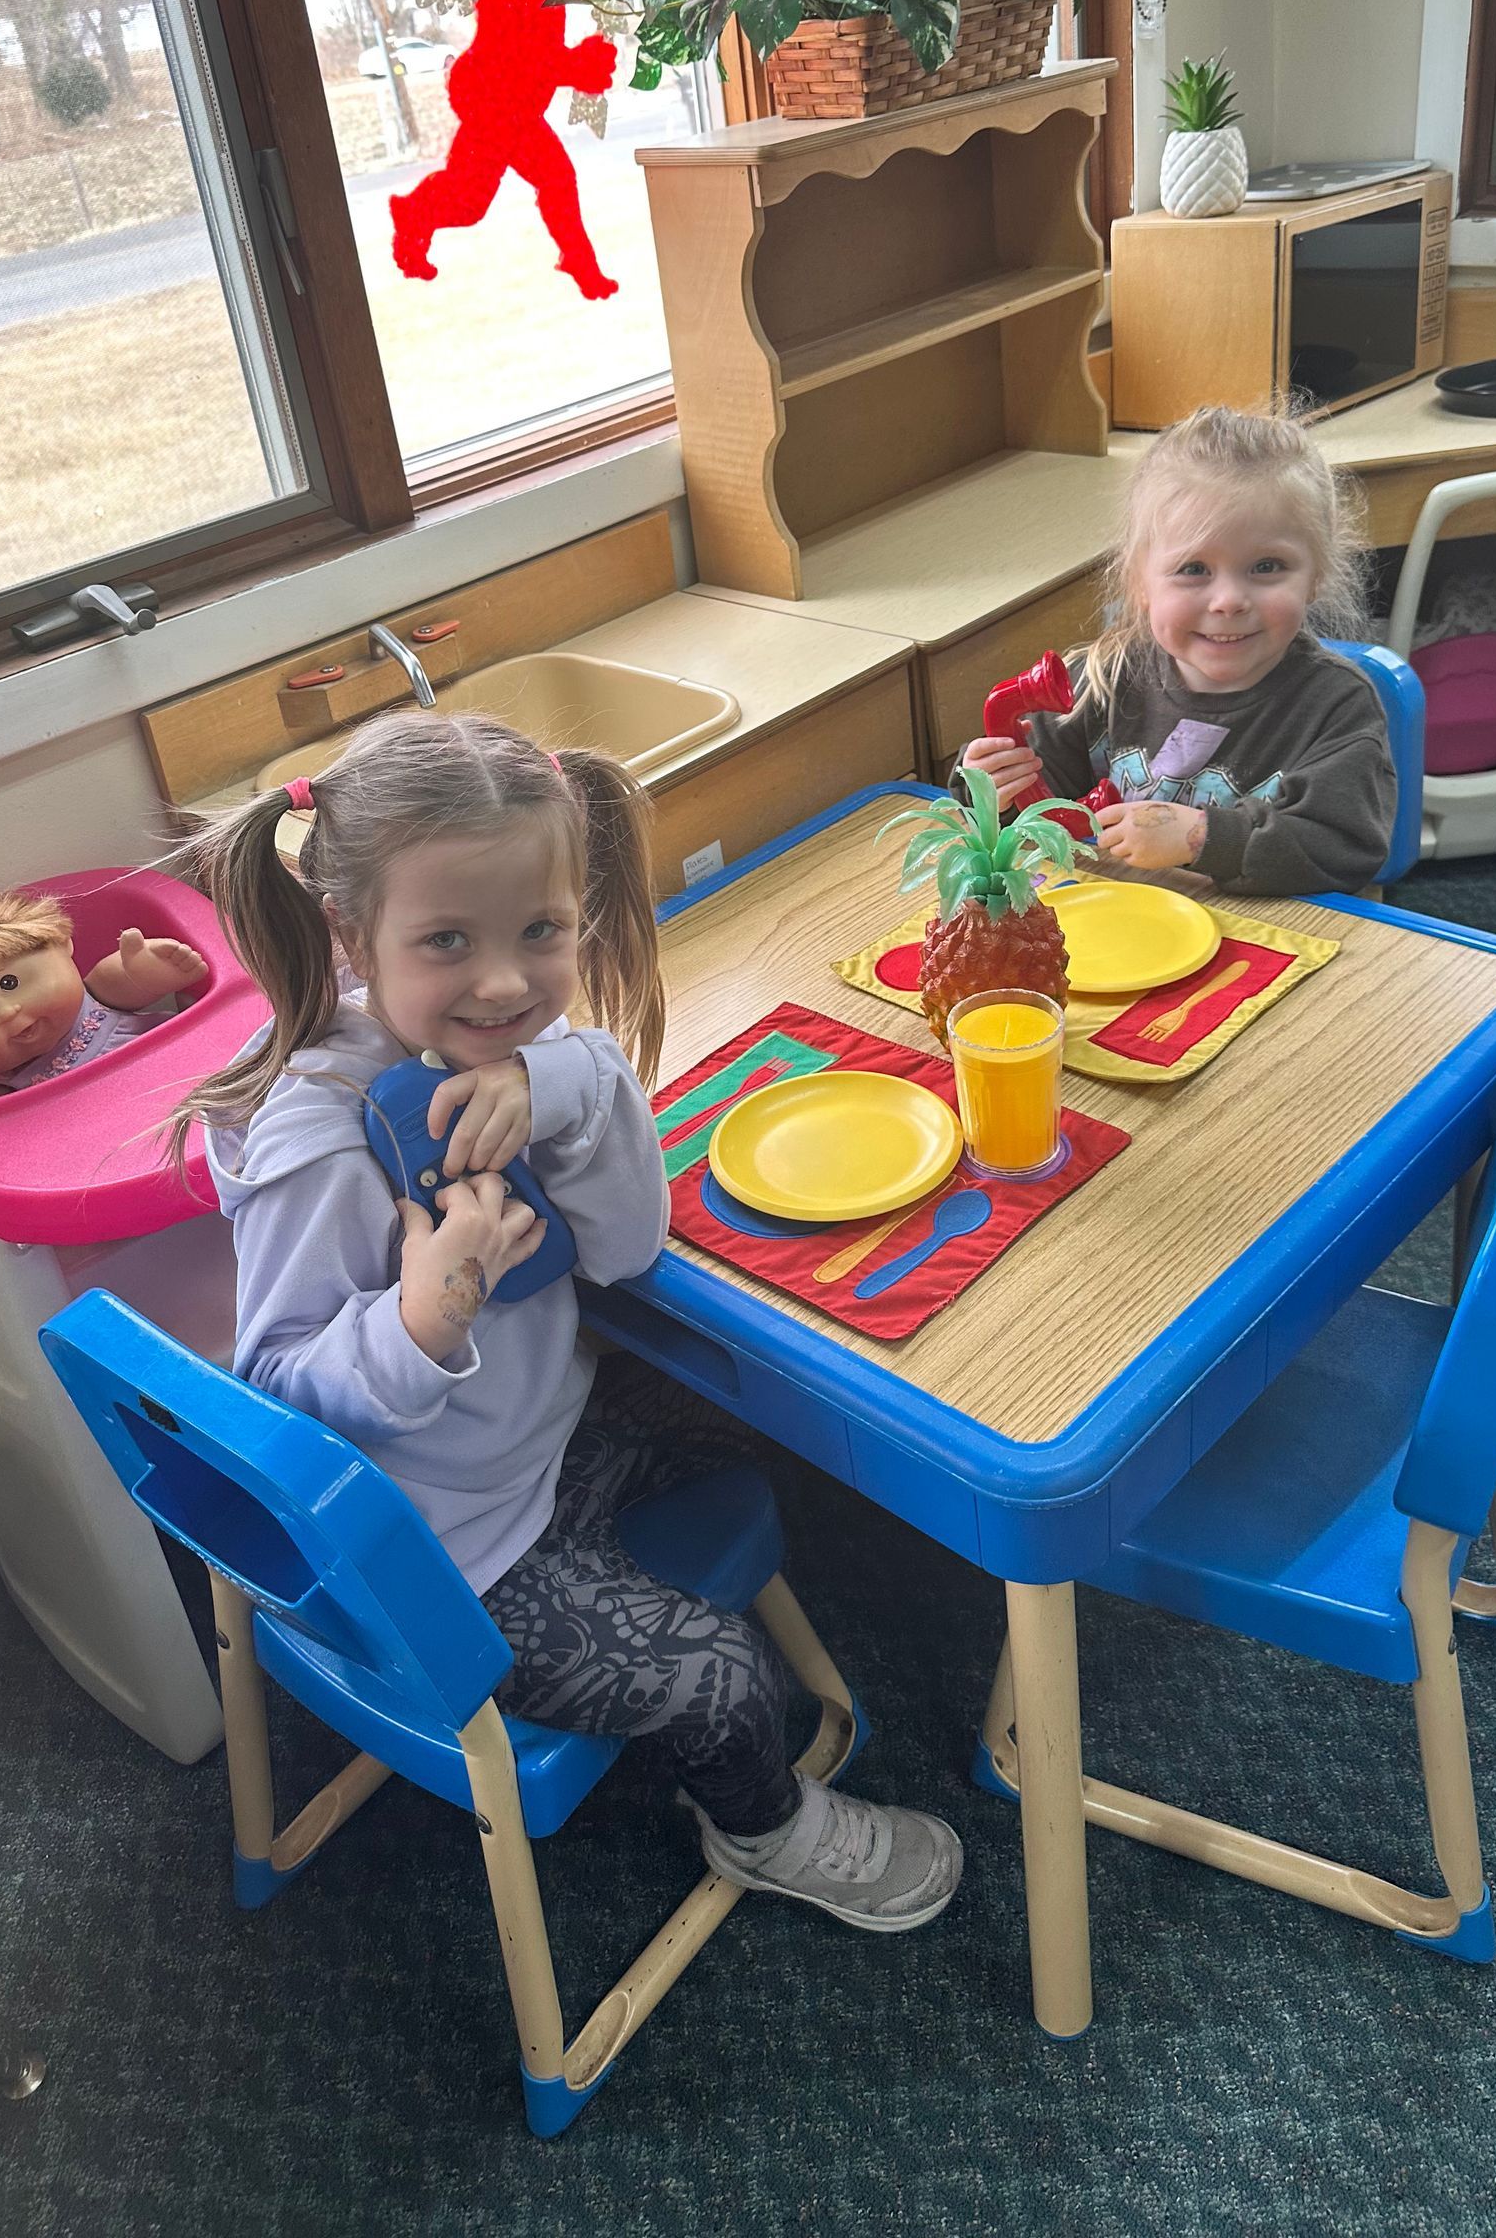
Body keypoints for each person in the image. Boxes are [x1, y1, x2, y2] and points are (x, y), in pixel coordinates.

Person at [175, 709, 961, 1931]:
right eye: (447, 940)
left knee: (794, 1398)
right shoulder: (316, 1140)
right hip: (448, 1549)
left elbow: (628, 1242)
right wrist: (428, 1310)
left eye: (539, 932)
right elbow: (275, 1389)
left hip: (544, 1435)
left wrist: (569, 1081)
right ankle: (765, 1833)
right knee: (723, 1680)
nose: (504, 981)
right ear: (349, 934)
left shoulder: (503, 1054)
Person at [961, 406, 1395, 897]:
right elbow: (1035, 818)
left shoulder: (1337, 706)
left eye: (1267, 565)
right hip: (1127, 925)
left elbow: (1344, 849)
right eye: (1193, 569)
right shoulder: (1097, 681)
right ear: (1140, 582)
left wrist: (1203, 838)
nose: (1229, 600)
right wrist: (990, 790)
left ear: (1315, 576)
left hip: (1278, 936)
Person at [0, 861, 205, 1093]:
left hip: (189, 1081)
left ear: (62, 944)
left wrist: (147, 974)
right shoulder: (1, 1092)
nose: (5, 1012)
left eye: (9, 983)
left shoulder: (97, 995)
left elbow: (126, 983)